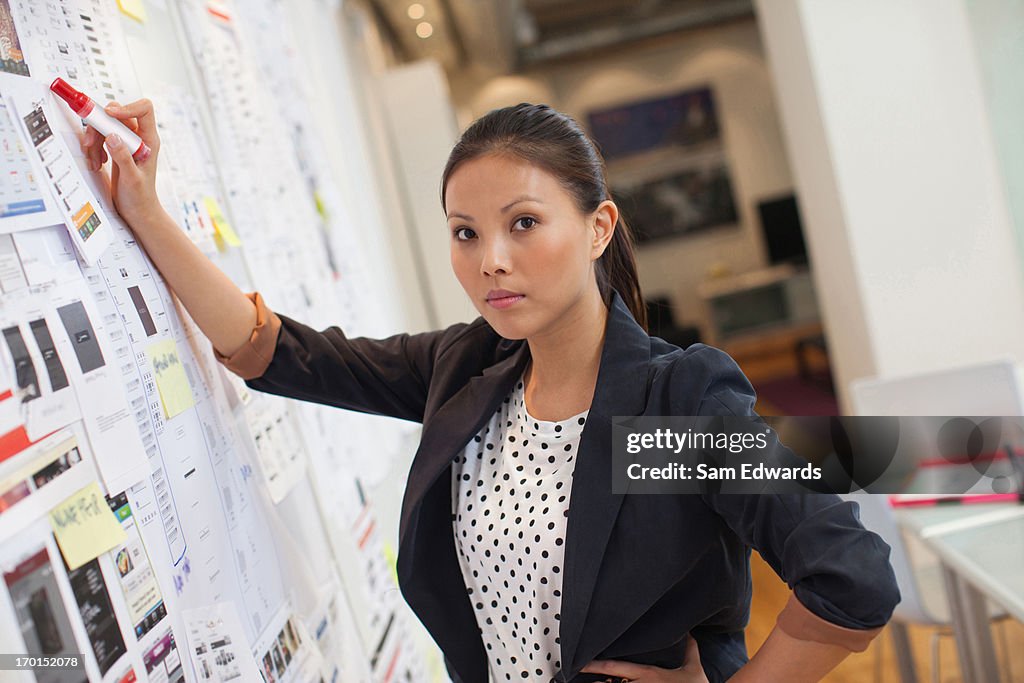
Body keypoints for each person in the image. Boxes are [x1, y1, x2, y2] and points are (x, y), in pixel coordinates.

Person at [82, 100, 900, 683]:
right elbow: (277, 352)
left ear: (599, 227)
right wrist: (145, 212)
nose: (490, 260)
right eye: (465, 232)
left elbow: (850, 573)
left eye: (523, 223)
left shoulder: (670, 407)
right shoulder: (467, 370)